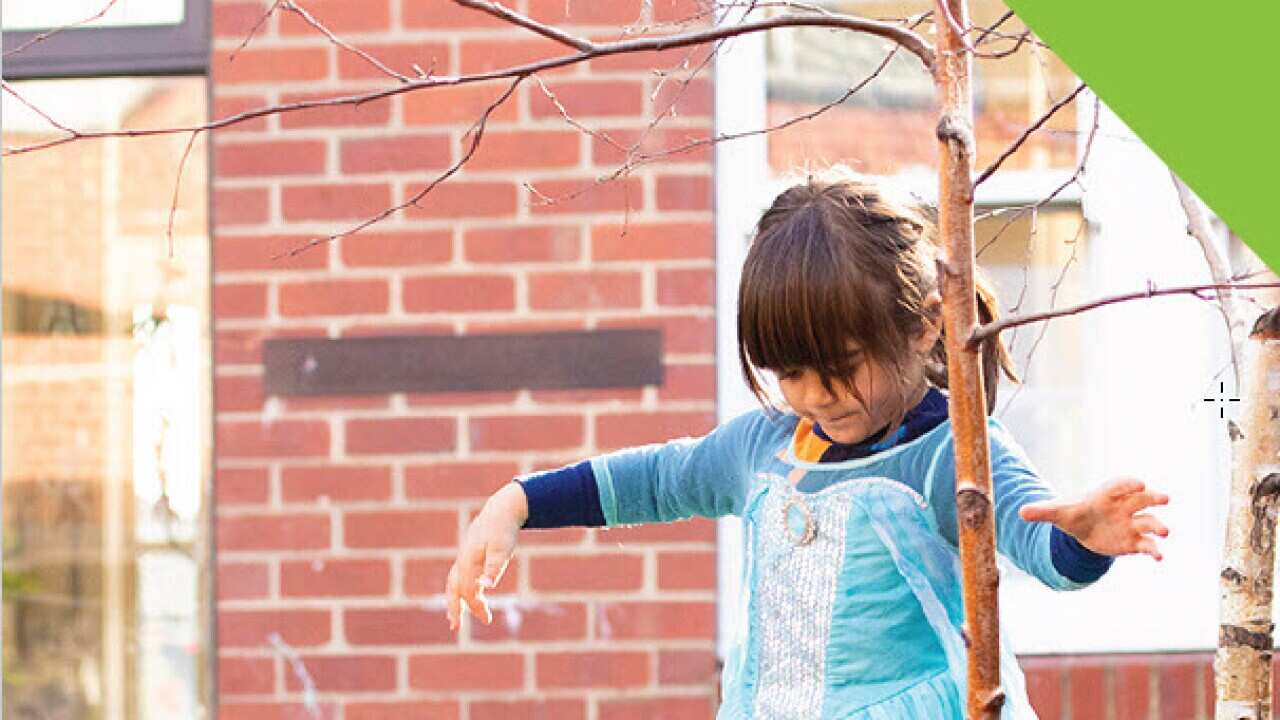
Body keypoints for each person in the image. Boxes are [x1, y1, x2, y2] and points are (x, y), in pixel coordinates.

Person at [443, 169, 1169, 719]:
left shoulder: (951, 451)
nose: (815, 396)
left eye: (841, 367)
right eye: (790, 373)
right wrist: (519, 503)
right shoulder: (762, 449)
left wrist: (1084, 539)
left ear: (923, 327)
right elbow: (657, 479)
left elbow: (1032, 536)